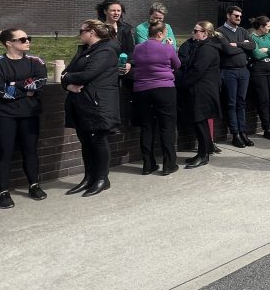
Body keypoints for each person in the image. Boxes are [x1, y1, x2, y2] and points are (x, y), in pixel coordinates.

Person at [0, 27, 48, 209]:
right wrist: (25, 90)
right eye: (22, 39)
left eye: (28, 38)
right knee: (4, 152)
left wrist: (12, 85)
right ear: (9, 43)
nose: (27, 41)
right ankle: (3, 192)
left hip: (29, 114)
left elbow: (40, 82)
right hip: (2, 115)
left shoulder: (36, 62)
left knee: (30, 150)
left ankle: (34, 185)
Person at [61, 19, 120, 197]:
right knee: (85, 140)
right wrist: (68, 84)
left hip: (97, 103)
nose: (80, 34)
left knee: (97, 140)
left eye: (81, 31)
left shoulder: (106, 50)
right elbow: (65, 75)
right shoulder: (84, 50)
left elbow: (88, 74)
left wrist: (68, 76)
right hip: (80, 102)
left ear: (92, 32)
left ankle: (102, 178)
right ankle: (89, 177)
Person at [131, 23, 181, 175]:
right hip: (164, 89)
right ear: (160, 34)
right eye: (165, 33)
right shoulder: (166, 48)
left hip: (141, 90)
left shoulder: (137, 48)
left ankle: (148, 164)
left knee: (146, 127)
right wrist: (170, 47)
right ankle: (169, 164)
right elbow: (177, 64)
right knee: (167, 126)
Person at [178, 22, 223, 168]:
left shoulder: (207, 49)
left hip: (203, 91)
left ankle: (204, 155)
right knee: (199, 123)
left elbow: (197, 70)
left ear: (205, 33)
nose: (193, 32)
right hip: (201, 89)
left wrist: (183, 84)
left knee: (200, 122)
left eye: (196, 30)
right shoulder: (203, 46)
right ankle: (203, 152)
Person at [217, 6, 255, 146]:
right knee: (231, 103)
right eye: (236, 16)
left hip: (243, 71)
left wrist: (237, 44)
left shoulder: (243, 31)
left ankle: (243, 132)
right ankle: (235, 134)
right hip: (229, 72)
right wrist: (242, 47)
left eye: (240, 16)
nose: (239, 18)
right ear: (228, 15)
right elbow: (227, 49)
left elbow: (252, 45)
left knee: (241, 102)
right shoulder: (220, 32)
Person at [96, 0, 135, 75]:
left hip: (122, 65)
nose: (116, 13)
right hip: (104, 66)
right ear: (105, 11)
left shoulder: (126, 28)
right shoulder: (97, 28)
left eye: (118, 10)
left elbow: (131, 50)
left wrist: (128, 63)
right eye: (113, 10)